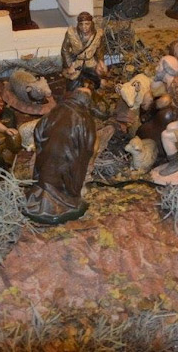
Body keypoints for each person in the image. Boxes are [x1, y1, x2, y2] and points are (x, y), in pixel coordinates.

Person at [23, 88, 97, 225]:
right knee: (63, 185)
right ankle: (58, 205)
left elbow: (38, 130)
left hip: (47, 158)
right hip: (68, 162)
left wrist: (42, 147)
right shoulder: (86, 119)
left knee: (45, 179)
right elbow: (88, 147)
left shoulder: (56, 110)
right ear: (87, 101)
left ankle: (41, 202)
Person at [60, 12, 108, 91]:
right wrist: (69, 65)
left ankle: (94, 91)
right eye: (81, 24)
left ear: (91, 23)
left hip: (90, 62)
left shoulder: (98, 34)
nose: (84, 27)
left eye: (87, 24)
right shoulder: (71, 33)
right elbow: (65, 50)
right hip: (76, 63)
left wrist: (100, 61)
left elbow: (99, 49)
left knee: (98, 82)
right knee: (72, 87)